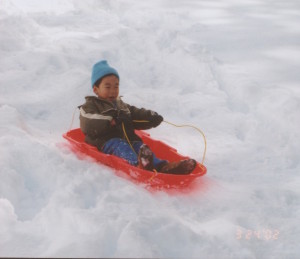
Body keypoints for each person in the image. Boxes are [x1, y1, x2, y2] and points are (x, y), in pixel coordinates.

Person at [79, 60, 196, 174]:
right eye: (108, 87)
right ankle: (138, 164)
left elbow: (135, 114)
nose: (113, 91)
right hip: (106, 141)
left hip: (128, 139)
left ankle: (163, 166)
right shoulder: (90, 105)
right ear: (96, 89)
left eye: (116, 86)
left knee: (140, 147)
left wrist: (150, 118)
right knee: (122, 147)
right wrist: (110, 120)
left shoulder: (121, 105)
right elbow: (88, 121)